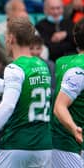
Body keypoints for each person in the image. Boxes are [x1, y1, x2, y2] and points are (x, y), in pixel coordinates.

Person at [0, 17, 52, 168]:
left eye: (6, 36)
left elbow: (7, 104)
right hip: (43, 146)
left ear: (11, 38)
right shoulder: (42, 65)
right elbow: (7, 88)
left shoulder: (14, 68)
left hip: (17, 144)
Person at [51, 19, 84, 167]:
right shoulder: (78, 70)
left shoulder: (63, 62)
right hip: (66, 144)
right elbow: (59, 107)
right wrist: (73, 129)